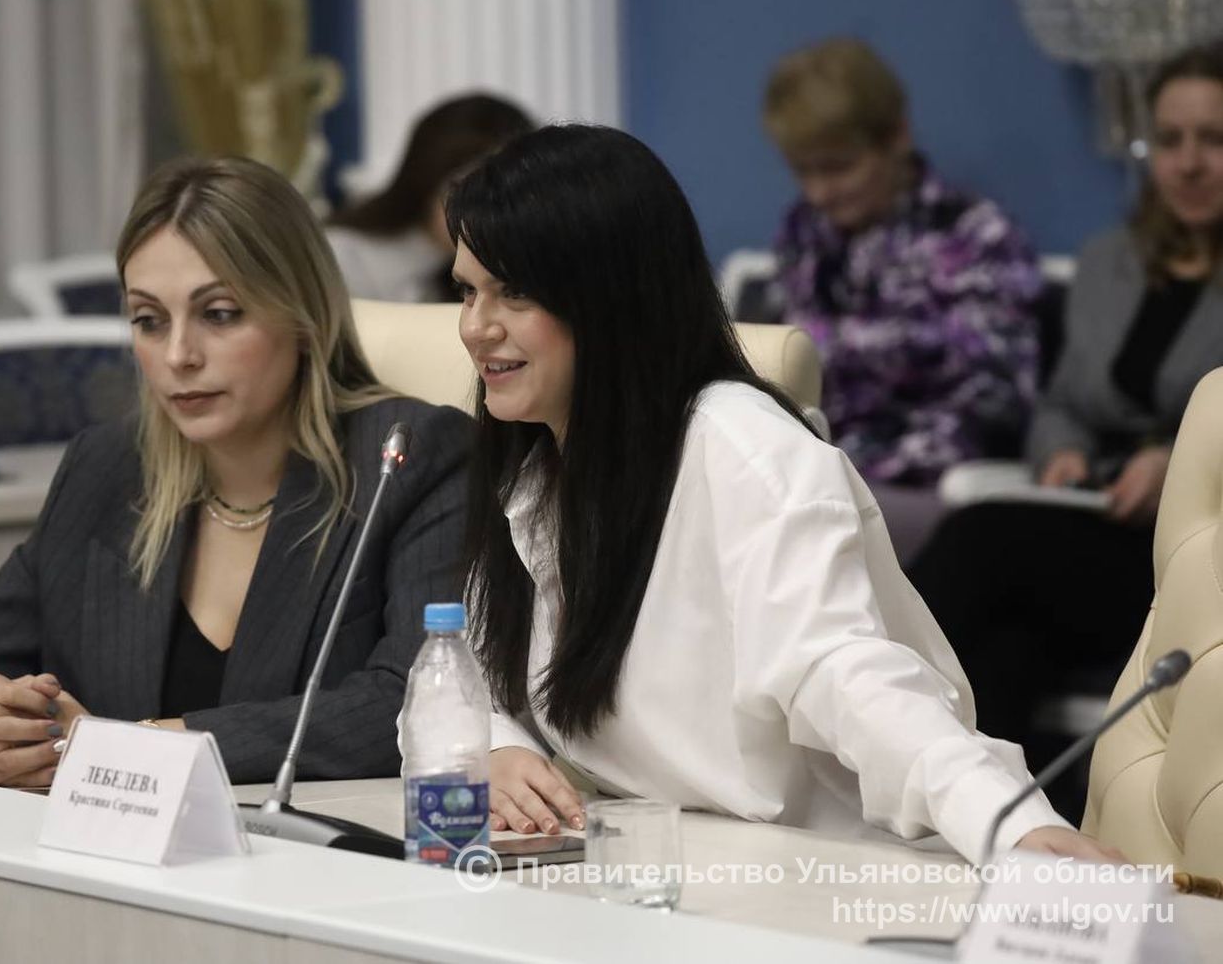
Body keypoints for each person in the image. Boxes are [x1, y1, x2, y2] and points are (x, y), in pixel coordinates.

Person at [439, 123, 1116, 865]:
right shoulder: (532, 461)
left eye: (514, 293)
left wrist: (1008, 824)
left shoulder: (747, 451)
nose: (476, 327)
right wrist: (494, 747)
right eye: (467, 291)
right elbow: (457, 668)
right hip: (655, 865)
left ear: (610, 296)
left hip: (821, 875)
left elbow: (845, 671)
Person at [0, 156, 472, 788]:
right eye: (149, 321)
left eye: (219, 314)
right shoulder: (107, 468)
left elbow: (408, 704)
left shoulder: (406, 458)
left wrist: (123, 747)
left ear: (304, 317)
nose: (178, 355)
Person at [910, 41, 1223, 753]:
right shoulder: (1111, 260)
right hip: (1090, 521)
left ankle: (845, 739)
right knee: (1007, 652)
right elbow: (1062, 403)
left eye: (1214, 139)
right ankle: (988, 816)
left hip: (1187, 557)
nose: (1188, 163)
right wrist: (1063, 453)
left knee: (980, 538)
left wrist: (1181, 467)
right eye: (1169, 140)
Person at [762, 39, 1043, 498]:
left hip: (919, 482)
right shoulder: (803, 232)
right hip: (807, 471)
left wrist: (844, 469)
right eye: (803, 172)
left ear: (897, 136)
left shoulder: (974, 234)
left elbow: (997, 404)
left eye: (838, 168)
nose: (819, 193)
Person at [326, 93, 533, 303]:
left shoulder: (471, 272)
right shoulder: (343, 255)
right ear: (428, 179)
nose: (494, 214)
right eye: (480, 193)